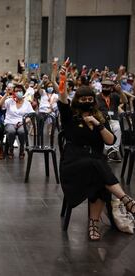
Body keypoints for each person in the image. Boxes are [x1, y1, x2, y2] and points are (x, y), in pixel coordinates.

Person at [58, 65, 135, 241]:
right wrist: (62, 78)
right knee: (98, 165)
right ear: (77, 100)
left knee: (98, 177)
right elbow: (62, 99)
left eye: (89, 98)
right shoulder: (70, 115)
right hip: (73, 163)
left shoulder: (100, 116)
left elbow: (110, 141)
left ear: (94, 100)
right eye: (82, 98)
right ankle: (126, 199)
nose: (86, 101)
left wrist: (97, 124)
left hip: (94, 163)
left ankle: (94, 224)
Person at [0, 84, 34, 159]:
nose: (19, 92)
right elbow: (0, 104)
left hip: (22, 123)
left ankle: (22, 149)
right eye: (17, 91)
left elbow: (31, 115)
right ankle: (10, 149)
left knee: (22, 132)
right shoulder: (9, 101)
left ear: (23, 92)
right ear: (14, 92)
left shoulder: (27, 103)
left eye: (20, 91)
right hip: (9, 122)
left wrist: (24, 122)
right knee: (11, 131)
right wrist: (6, 93)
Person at [95, 79, 126, 162]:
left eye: (107, 87)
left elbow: (125, 101)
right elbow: (94, 110)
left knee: (117, 128)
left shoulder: (115, 96)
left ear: (111, 88)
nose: (105, 88)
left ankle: (113, 151)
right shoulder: (97, 97)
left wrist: (120, 91)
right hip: (103, 120)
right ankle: (110, 151)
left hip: (114, 120)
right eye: (103, 86)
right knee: (105, 128)